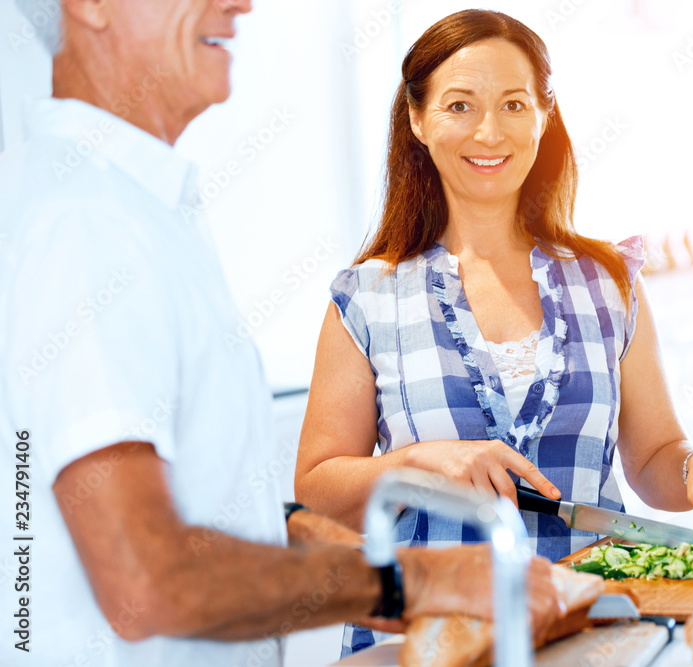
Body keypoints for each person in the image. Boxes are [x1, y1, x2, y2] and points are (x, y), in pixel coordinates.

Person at [0, 1, 563, 665]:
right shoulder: (83, 221)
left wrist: (341, 549)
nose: (240, 3)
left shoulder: (125, 207)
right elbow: (143, 578)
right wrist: (419, 580)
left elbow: (204, 516)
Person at [295, 7, 693, 656]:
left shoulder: (608, 281)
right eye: (459, 105)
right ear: (417, 119)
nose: (488, 130)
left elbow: (652, 457)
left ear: (543, 116)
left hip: (590, 636)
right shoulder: (366, 297)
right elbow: (317, 488)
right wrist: (419, 461)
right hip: (430, 643)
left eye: (512, 104)